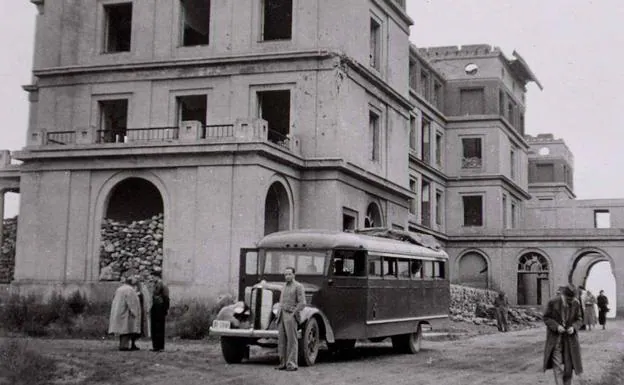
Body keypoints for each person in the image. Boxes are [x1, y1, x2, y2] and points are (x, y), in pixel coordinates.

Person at [543, 285, 583, 385]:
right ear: (563, 295)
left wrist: (573, 327)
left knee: (568, 369)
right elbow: (546, 317)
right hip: (556, 339)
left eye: (572, 300)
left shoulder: (576, 303)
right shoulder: (553, 302)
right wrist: (556, 327)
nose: (570, 302)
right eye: (568, 300)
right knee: (558, 367)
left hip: (569, 340)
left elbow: (579, 319)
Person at [275, 267, 306, 372]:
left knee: (292, 340)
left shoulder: (298, 286)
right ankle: (282, 363)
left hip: (290, 315)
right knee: (282, 340)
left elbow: (302, 303)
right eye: (285, 274)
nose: (287, 276)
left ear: (294, 275)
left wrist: (294, 313)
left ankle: (292, 364)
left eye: (289, 274)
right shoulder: (283, 286)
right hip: (281, 315)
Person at [108, 276, 141, 351]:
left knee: (121, 329)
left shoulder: (119, 289)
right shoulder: (130, 290)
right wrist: (135, 312)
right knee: (126, 329)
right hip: (125, 312)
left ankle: (122, 345)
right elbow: (131, 302)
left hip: (118, 311)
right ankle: (124, 346)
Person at [130, 277, 152, 351]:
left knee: (139, 326)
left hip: (141, 310)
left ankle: (134, 342)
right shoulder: (131, 288)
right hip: (134, 310)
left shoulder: (142, 288)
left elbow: (146, 299)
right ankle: (131, 342)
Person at [150, 272, 170, 351]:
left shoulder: (163, 286)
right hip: (155, 307)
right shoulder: (156, 285)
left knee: (159, 328)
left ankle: (159, 346)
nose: (152, 278)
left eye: (153, 277)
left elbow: (166, 298)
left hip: (160, 308)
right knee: (155, 327)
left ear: (157, 277)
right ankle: (156, 346)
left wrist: (165, 309)